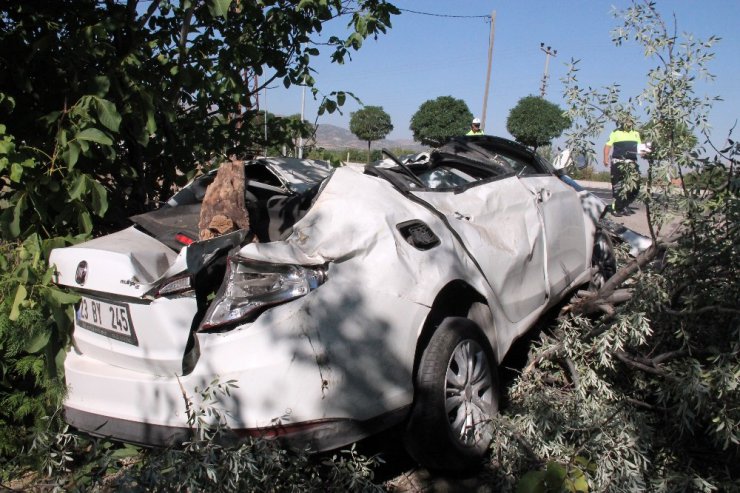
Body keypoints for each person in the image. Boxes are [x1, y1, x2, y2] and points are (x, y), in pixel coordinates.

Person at [603, 114, 642, 216]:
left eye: (630, 121)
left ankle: (624, 205)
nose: (629, 123)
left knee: (634, 187)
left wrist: (649, 151)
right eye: (627, 121)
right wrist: (605, 158)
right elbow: (607, 146)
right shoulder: (616, 132)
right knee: (618, 187)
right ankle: (616, 208)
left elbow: (640, 149)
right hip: (618, 163)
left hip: (632, 164)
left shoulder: (636, 133)